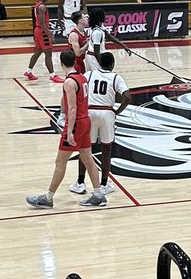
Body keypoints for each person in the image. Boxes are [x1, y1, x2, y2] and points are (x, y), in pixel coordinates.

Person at [26, 50, 99, 208]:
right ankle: (98, 194)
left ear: (61, 63)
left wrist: (70, 131)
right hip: (85, 120)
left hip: (77, 123)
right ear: (74, 61)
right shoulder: (82, 77)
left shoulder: (69, 82)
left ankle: (48, 198)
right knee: (88, 158)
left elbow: (72, 108)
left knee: (60, 161)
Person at [74, 52, 132, 208]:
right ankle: (104, 184)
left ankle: (80, 183)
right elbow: (128, 96)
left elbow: (79, 90)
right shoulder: (116, 77)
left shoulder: (89, 74)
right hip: (107, 113)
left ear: (99, 63)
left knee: (85, 150)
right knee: (107, 149)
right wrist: (117, 111)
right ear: (112, 65)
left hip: (90, 112)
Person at [25, 0, 58, 82]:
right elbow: (42, 23)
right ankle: (53, 75)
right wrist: (50, 35)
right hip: (42, 31)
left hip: (38, 30)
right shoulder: (42, 7)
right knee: (48, 53)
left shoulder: (38, 4)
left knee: (38, 52)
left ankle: (28, 71)